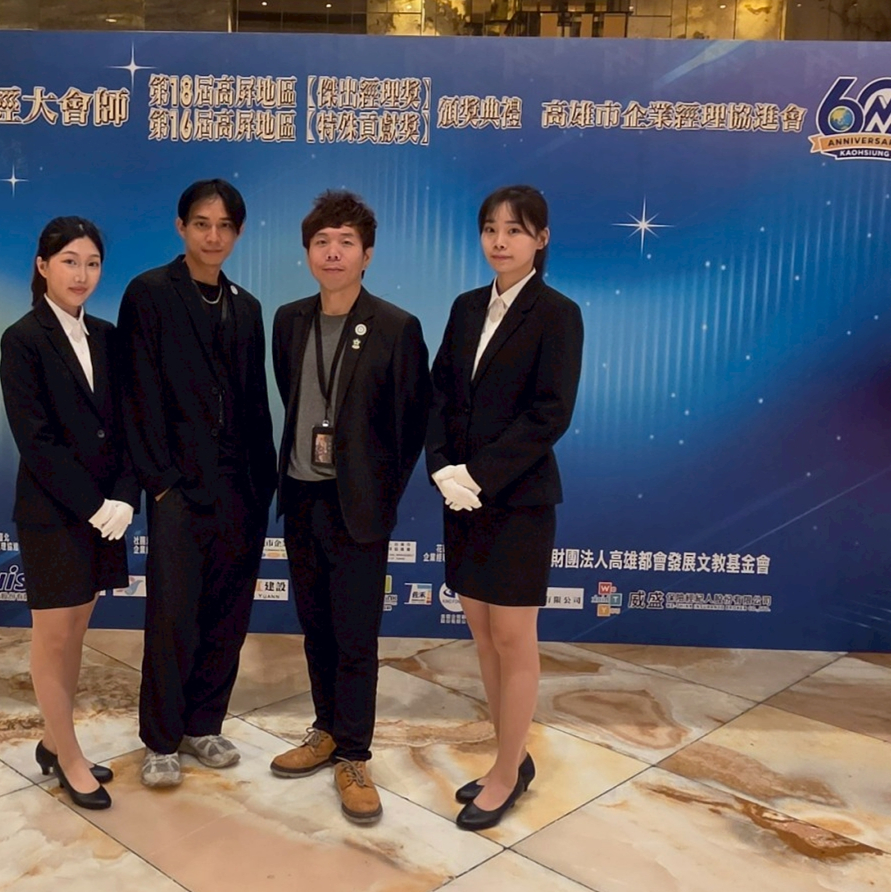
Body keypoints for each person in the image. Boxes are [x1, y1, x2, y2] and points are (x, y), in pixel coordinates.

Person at [269, 190, 431, 825]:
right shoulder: (289, 321)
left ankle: (356, 755)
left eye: (345, 242)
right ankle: (326, 730)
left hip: (357, 505)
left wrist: (379, 497)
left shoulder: (395, 326)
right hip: (301, 494)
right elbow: (291, 396)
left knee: (356, 635)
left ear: (367, 253)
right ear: (307, 252)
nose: (332, 253)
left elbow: (410, 427)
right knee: (316, 626)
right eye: (321, 242)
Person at [426, 185, 584, 831]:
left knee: (515, 639)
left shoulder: (558, 313)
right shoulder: (466, 307)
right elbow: (440, 393)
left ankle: (505, 774)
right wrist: (442, 468)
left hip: (517, 500)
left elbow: (550, 413)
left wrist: (478, 475)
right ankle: (510, 758)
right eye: (491, 228)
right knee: (483, 637)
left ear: (540, 239)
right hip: (460, 500)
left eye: (515, 230)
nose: (500, 240)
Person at [117, 179, 277, 788]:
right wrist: (160, 482)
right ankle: (161, 739)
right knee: (173, 614)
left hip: (241, 488)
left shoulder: (247, 306)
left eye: (225, 226)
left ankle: (204, 724)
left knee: (227, 613)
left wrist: (263, 484)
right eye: (202, 224)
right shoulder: (151, 293)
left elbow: (255, 403)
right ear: (181, 226)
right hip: (178, 489)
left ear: (238, 232)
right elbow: (136, 393)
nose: (214, 236)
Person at [0, 216, 139, 811]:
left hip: (106, 511)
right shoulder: (23, 339)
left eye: (92, 263)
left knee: (78, 628)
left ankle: (54, 743)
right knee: (53, 636)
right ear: (43, 266)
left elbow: (130, 424)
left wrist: (124, 497)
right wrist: (95, 505)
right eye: (69, 261)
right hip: (54, 512)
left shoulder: (107, 336)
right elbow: (37, 442)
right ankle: (70, 758)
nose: (82, 274)